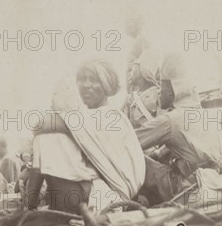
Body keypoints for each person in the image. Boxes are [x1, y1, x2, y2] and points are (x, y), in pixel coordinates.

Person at [31, 60, 146, 213]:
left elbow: (40, 124)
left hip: (106, 199)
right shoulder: (87, 120)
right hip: (96, 195)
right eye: (82, 79)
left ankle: (31, 206)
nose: (86, 85)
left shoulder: (108, 117)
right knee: (51, 136)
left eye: (93, 79)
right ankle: (32, 206)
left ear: (106, 85)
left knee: (48, 137)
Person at [136, 53, 222, 204]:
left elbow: (127, 144)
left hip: (194, 192)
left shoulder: (171, 120)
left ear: (173, 88)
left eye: (161, 84)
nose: (158, 91)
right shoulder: (206, 116)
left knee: (135, 157)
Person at [122, 49, 161, 129]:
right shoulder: (129, 98)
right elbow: (124, 125)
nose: (129, 74)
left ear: (142, 71)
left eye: (132, 70)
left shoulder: (158, 94)